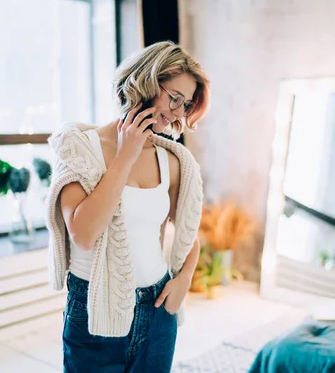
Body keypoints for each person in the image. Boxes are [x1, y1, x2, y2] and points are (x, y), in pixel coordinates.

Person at [44, 41, 210, 372]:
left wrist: (184, 279)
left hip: (159, 309)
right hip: (94, 308)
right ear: (145, 82)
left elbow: (189, 232)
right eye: (174, 98)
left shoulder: (174, 161)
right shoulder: (79, 146)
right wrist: (126, 153)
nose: (177, 113)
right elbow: (84, 234)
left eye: (185, 104)